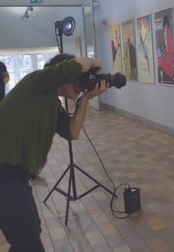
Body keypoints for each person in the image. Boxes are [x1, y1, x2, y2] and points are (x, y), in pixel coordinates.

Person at [0, 53, 108, 252]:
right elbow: (75, 65)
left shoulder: (51, 103)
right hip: (4, 174)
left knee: (30, 234)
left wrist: (86, 99)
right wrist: (93, 64)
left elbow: (72, 132)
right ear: (62, 75)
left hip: (15, 176)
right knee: (28, 241)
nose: (80, 85)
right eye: (78, 81)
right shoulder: (36, 82)